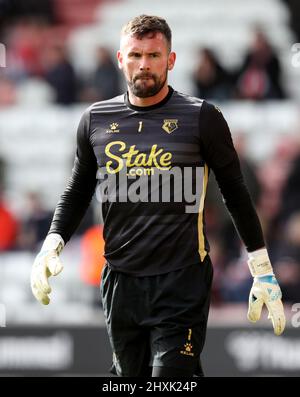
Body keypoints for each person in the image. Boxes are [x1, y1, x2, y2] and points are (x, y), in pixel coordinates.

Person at [30, 15, 286, 377]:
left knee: (168, 378)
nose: (144, 65)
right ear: (120, 60)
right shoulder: (95, 119)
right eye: (135, 55)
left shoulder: (202, 118)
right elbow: (76, 190)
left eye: (153, 55)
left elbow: (236, 193)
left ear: (171, 60)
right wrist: (52, 243)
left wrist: (261, 268)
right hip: (120, 280)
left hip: (182, 279)